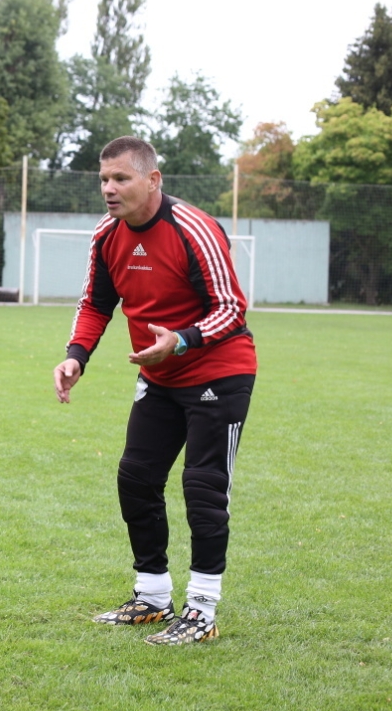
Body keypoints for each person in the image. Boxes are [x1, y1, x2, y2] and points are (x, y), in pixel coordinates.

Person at [52, 136, 257, 646]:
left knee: (203, 488)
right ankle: (153, 597)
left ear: (152, 180)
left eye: (120, 178)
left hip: (218, 371)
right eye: (104, 179)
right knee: (137, 479)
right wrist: (76, 355)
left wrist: (181, 341)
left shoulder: (193, 228)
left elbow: (231, 308)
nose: (109, 189)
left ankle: (202, 610)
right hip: (159, 377)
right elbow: (97, 303)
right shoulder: (107, 235)